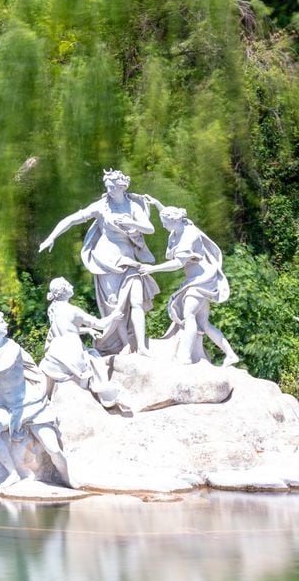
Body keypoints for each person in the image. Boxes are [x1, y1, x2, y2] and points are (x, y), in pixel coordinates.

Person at [39, 169, 159, 356]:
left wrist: (131, 223)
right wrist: (52, 237)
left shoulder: (133, 207)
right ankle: (125, 344)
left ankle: (141, 346)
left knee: (136, 301)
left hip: (129, 261)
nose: (109, 190)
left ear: (122, 187)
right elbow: (73, 219)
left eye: (112, 187)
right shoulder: (101, 207)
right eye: (107, 187)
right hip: (106, 261)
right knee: (116, 305)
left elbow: (150, 228)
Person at [0, 311, 70, 489]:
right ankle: (13, 473)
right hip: (6, 406)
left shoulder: (12, 348)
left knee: (53, 448)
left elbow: (3, 368)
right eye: (1, 321)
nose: (5, 323)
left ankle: (67, 478)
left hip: (30, 404)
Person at [139, 206, 239, 367]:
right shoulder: (182, 225)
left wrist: (153, 268)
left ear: (174, 220)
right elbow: (171, 212)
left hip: (202, 279)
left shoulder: (188, 236)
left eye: (165, 222)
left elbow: (178, 263)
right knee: (203, 322)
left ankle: (184, 357)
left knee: (189, 315)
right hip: (198, 278)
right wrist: (157, 204)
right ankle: (231, 354)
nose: (163, 226)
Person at [41, 277, 126, 410]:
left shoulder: (53, 309)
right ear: (64, 290)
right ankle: (105, 396)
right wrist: (113, 315)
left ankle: (44, 400)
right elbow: (100, 324)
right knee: (95, 357)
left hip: (55, 353)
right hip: (72, 353)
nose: (72, 287)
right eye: (69, 285)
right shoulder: (73, 310)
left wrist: (87, 330)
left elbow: (67, 329)